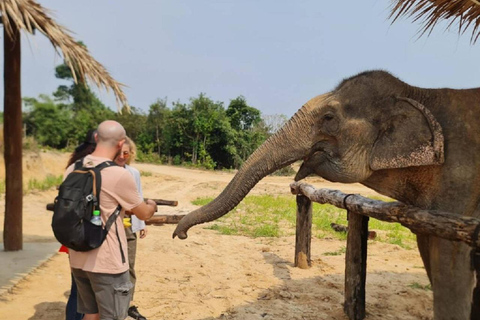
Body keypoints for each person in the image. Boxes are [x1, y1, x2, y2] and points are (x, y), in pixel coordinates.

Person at [66, 120, 157, 320]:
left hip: (78, 256)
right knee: (113, 316)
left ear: (97, 138)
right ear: (120, 143)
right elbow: (143, 213)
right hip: (107, 262)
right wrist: (152, 204)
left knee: (90, 314)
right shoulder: (118, 175)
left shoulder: (74, 167)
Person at [61, 128, 98, 320]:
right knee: (90, 290)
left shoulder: (73, 166)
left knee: (77, 286)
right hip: (89, 234)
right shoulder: (97, 168)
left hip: (70, 233)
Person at [114, 137, 148, 320]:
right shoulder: (105, 172)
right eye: (118, 153)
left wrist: (141, 224)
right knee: (112, 267)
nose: (122, 156)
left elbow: (139, 198)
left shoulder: (133, 173)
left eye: (125, 153)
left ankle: (127, 304)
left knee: (129, 266)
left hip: (128, 225)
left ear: (131, 154)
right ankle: (113, 304)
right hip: (110, 226)